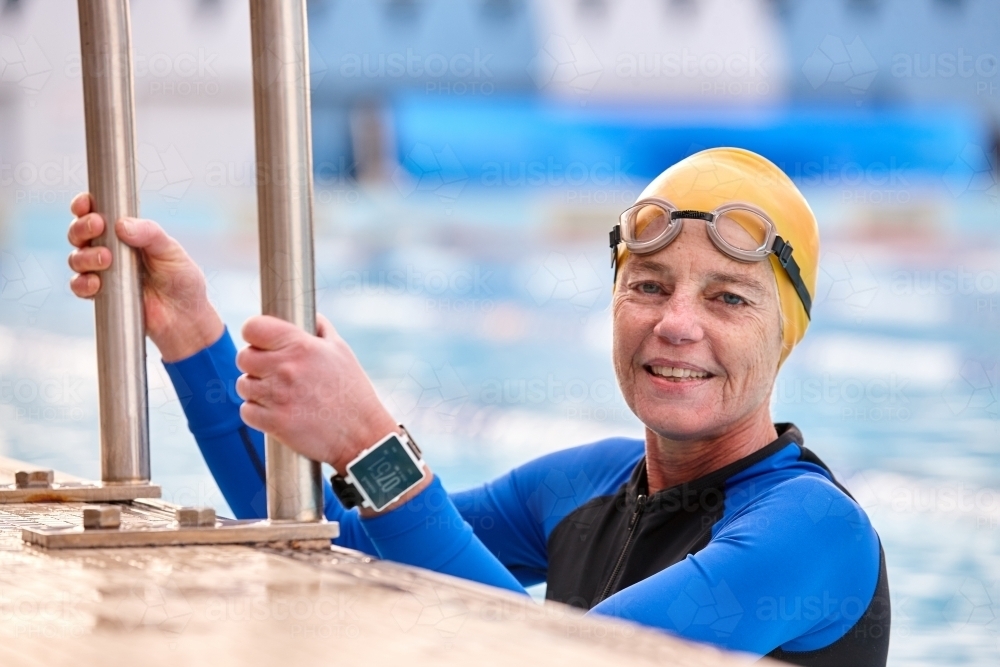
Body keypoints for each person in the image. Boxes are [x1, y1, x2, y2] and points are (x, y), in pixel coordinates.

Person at [66, 148, 889, 665]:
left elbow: (566, 655)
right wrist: (189, 334)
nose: (676, 323)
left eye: (729, 299)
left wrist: (367, 440)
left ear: (785, 338)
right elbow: (331, 547)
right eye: (648, 285)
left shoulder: (813, 530)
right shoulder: (589, 482)